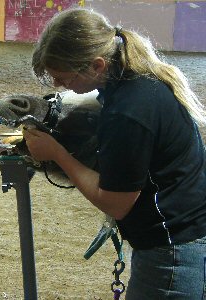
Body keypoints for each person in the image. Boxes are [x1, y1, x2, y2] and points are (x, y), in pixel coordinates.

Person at [24, 7, 206, 299]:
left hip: (171, 251)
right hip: (186, 234)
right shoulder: (138, 83)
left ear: (96, 66)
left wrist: (56, 153)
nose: (59, 85)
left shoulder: (128, 111)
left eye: (63, 77)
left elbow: (115, 203)